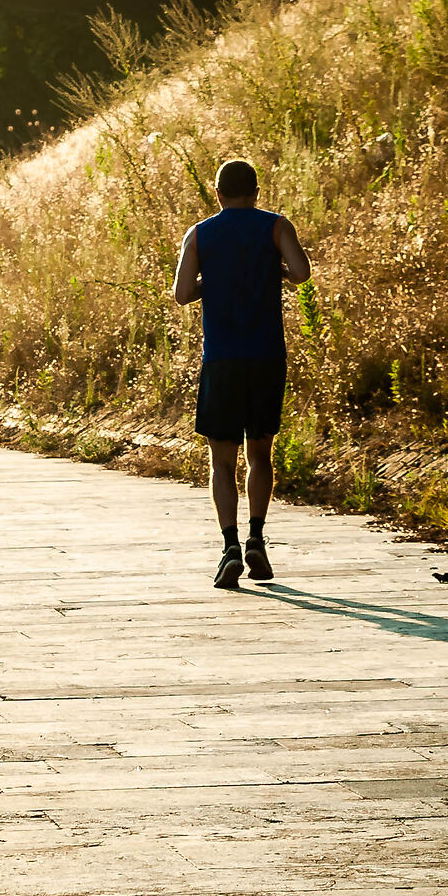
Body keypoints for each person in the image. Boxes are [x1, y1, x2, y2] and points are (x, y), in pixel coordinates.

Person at [170, 158, 311, 590]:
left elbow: (182, 293)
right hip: (266, 357)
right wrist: (275, 271)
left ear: (217, 194)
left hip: (222, 360)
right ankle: (256, 540)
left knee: (222, 460)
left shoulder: (199, 233)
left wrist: (211, 283)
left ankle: (230, 546)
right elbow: (301, 273)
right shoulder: (276, 226)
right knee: (260, 455)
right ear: (256, 192)